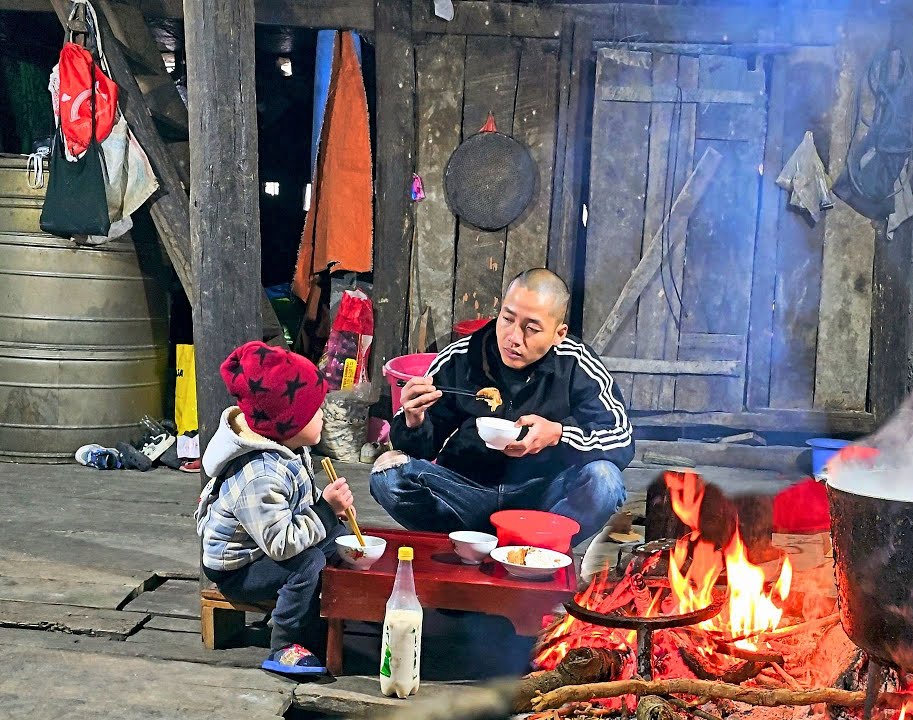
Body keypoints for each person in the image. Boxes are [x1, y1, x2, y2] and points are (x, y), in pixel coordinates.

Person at [370, 268, 633, 546]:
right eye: (507, 319)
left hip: (539, 499)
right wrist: (413, 419)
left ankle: (537, 549)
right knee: (388, 476)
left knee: (604, 481)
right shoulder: (461, 357)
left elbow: (621, 438)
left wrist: (559, 434)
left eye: (531, 328)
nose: (513, 337)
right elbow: (419, 449)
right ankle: (466, 544)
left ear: (559, 334)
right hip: (466, 492)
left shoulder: (577, 364)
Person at [195, 341, 354, 675]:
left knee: (338, 537)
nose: (323, 414)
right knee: (307, 562)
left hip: (267, 546)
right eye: (315, 409)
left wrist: (330, 516)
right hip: (238, 567)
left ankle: (337, 610)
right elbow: (281, 545)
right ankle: (285, 644)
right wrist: (325, 509)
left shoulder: (287, 449)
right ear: (289, 423)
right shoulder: (261, 474)